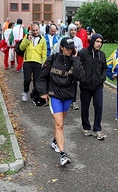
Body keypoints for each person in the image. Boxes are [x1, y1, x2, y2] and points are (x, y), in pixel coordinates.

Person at [35, 37, 85, 166]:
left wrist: (75, 59)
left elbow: (81, 77)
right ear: (62, 47)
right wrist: (43, 92)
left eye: (72, 48)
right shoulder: (52, 59)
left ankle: (55, 140)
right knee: (60, 124)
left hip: (68, 95)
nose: (70, 50)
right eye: (67, 48)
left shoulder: (74, 60)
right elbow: (41, 77)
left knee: (60, 123)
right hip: (54, 94)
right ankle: (63, 155)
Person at [78, 33, 107, 140]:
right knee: (85, 107)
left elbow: (104, 68)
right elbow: (78, 66)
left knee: (99, 106)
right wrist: (82, 78)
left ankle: (97, 128)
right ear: (93, 41)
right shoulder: (83, 53)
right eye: (97, 41)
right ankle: (86, 127)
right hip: (85, 85)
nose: (99, 44)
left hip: (98, 86)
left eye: (101, 42)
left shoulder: (102, 55)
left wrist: (102, 78)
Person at [19, 22, 47, 102]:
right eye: (33, 30)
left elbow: (44, 52)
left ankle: (35, 96)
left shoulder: (42, 39)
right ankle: (25, 91)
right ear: (31, 30)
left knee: (36, 80)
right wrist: (28, 40)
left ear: (39, 29)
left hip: (37, 62)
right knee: (27, 79)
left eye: (36, 30)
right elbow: (21, 47)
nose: (35, 32)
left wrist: (44, 63)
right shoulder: (27, 37)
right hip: (27, 61)